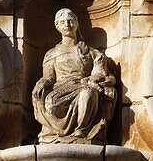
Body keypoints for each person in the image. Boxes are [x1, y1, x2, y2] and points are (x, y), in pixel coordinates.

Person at [32, 8, 116, 144]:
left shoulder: (91, 52)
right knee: (51, 104)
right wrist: (40, 84)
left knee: (87, 95)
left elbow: (101, 73)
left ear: (76, 23)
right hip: (61, 88)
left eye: (70, 21)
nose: (67, 24)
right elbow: (48, 77)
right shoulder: (51, 54)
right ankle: (58, 132)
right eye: (63, 22)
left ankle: (81, 131)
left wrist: (92, 79)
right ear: (56, 26)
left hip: (84, 86)